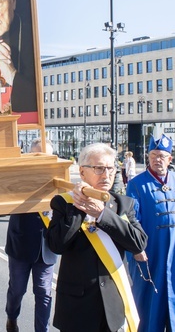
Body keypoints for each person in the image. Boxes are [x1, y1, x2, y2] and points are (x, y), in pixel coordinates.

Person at [47, 142, 147, 332]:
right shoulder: (64, 203)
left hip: (114, 303)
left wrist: (103, 214)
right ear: (82, 172)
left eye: (111, 168)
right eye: (99, 168)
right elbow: (56, 244)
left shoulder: (122, 204)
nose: (106, 174)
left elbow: (139, 242)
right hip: (78, 306)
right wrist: (79, 206)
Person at [126, 135, 175, 332]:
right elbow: (132, 219)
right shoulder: (136, 184)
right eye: (153, 155)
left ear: (170, 159)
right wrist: (135, 249)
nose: (157, 159)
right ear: (148, 157)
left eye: (162, 156)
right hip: (152, 250)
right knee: (150, 300)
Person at [5, 138, 58, 332]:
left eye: (47, 156)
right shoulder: (19, 176)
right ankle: (11, 317)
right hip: (21, 242)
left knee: (44, 292)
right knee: (17, 290)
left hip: (47, 245)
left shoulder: (59, 177)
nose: (42, 160)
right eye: (38, 155)